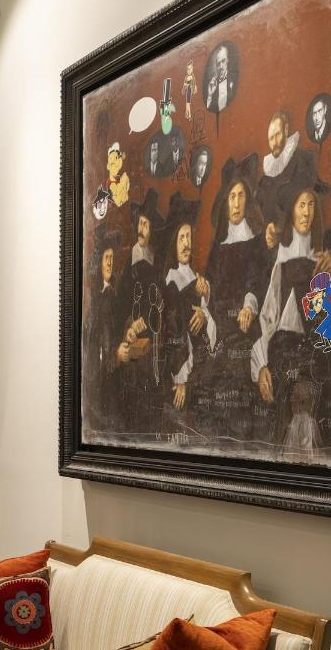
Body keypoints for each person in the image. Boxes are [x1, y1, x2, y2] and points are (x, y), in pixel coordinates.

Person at [251, 154, 331, 452]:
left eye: (311, 204)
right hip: (283, 359)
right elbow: (267, 318)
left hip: (318, 362)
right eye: (301, 204)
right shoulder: (280, 260)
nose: (307, 212)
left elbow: (327, 329)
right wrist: (261, 365)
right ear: (292, 209)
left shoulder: (323, 261)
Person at [202, 154, 270, 440]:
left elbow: (257, 281)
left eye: (241, 196)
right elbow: (210, 287)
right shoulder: (218, 246)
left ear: (247, 201)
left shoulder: (256, 243)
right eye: (232, 196)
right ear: (226, 202)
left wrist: (248, 306)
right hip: (219, 329)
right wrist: (204, 291)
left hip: (243, 328)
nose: (236, 202)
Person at [115, 188, 165, 435]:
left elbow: (160, 301)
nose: (141, 229)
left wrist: (146, 320)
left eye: (146, 224)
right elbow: (120, 307)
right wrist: (129, 326)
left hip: (152, 345)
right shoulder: (129, 264)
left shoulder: (157, 261)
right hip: (132, 345)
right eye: (140, 223)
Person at [161, 194, 215, 421]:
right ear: (174, 243)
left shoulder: (196, 277)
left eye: (189, 237)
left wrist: (204, 311)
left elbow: (209, 322)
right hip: (182, 371)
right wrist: (180, 379)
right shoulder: (170, 281)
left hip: (202, 365)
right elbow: (174, 331)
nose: (186, 244)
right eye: (181, 238)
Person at [84, 224, 124, 431]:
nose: (110, 263)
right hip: (99, 375)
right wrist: (114, 355)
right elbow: (95, 343)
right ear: (99, 262)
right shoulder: (96, 300)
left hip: (112, 374)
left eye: (112, 258)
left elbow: (115, 330)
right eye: (106, 258)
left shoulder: (112, 295)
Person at [256, 111, 301, 247]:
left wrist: (279, 227)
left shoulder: (301, 159)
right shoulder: (265, 179)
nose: (274, 142)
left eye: (277, 135)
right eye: (271, 138)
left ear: (286, 130)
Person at [205, 44, 235, 112]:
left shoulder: (233, 81)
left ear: (227, 60)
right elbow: (209, 112)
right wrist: (210, 95)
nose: (221, 66)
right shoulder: (214, 85)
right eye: (218, 63)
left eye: (223, 61)